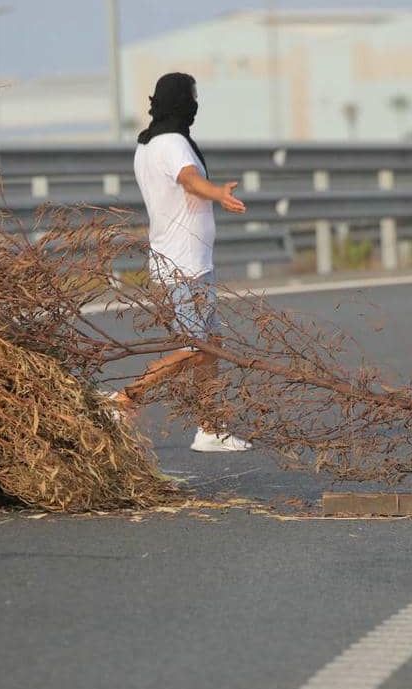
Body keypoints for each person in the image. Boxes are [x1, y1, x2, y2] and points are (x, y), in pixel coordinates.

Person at [111, 72, 253, 453]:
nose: (196, 103)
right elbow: (189, 181)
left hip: (183, 260)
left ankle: (210, 429)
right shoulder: (173, 143)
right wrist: (218, 193)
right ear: (180, 101)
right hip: (184, 264)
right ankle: (125, 399)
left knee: (211, 344)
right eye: (192, 96)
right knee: (195, 348)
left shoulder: (147, 144)